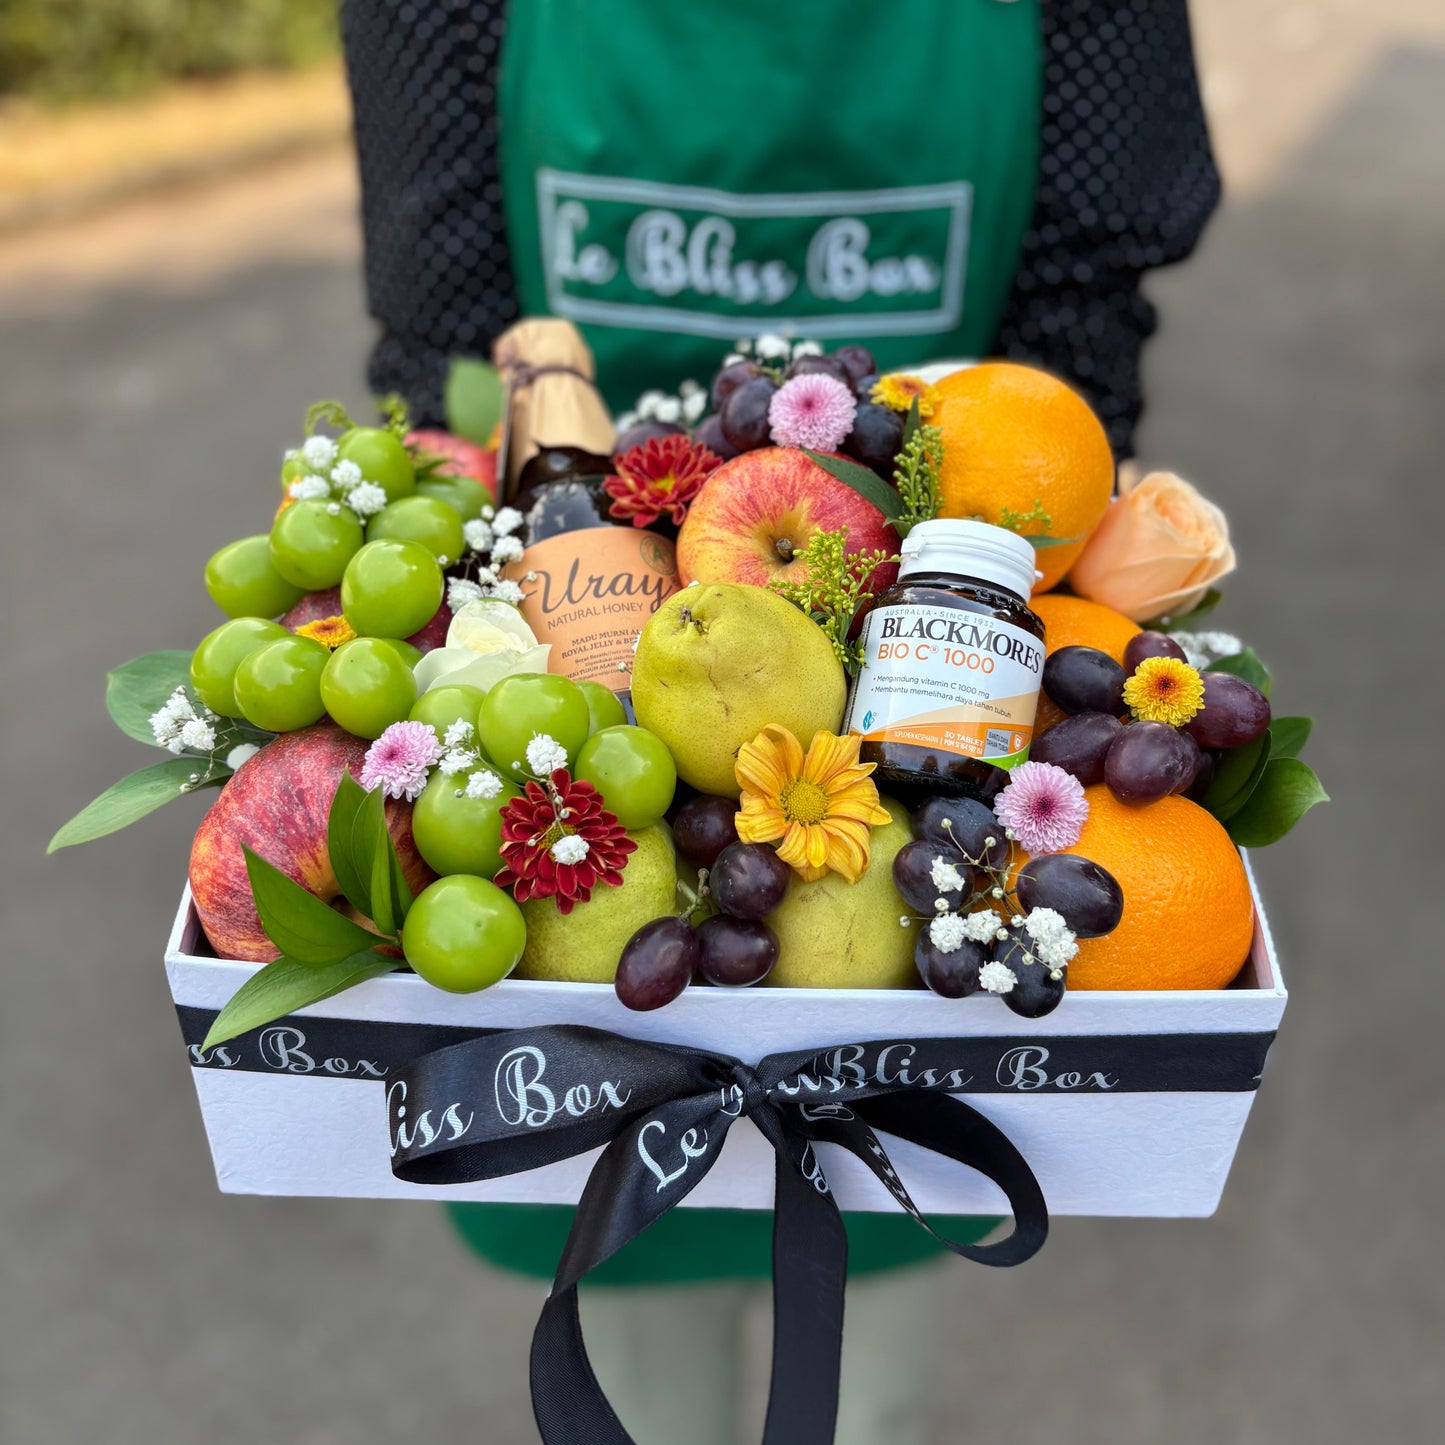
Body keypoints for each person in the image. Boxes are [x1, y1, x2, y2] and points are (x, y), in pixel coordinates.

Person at [340, 2, 1219, 1440]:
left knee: (871, 1338)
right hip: (579, 880)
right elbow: (448, 341)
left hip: (913, 824)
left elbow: (1077, 334)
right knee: (629, 1343)